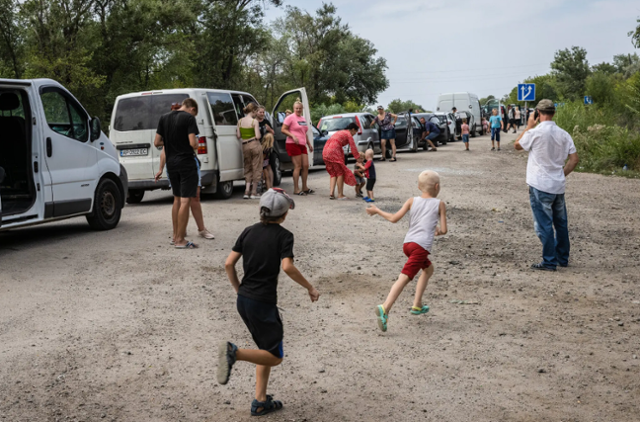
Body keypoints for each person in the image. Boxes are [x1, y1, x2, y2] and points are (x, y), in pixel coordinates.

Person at [219, 188, 320, 416]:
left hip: (244, 300)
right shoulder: (284, 236)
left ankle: (260, 401)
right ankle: (233, 353)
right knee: (275, 356)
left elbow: (228, 264)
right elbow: (287, 267)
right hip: (262, 303)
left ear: (260, 210)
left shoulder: (248, 231)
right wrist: (310, 288)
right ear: (285, 214)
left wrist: (238, 289)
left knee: (265, 348)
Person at [366, 170, 447, 332]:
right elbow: (444, 230)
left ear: (419, 187)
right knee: (404, 278)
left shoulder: (412, 201)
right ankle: (385, 307)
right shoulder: (439, 204)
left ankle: (417, 304)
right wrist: (436, 231)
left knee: (428, 269)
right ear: (437, 187)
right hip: (421, 247)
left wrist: (377, 210)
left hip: (408, 244)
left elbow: (394, 218)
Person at [514, 99, 580, 271]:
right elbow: (574, 160)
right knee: (561, 223)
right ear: (554, 113)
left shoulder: (535, 133)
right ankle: (562, 258)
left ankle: (549, 261)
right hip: (558, 185)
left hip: (539, 184)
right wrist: (561, 174)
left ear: (537, 113)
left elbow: (517, 146)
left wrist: (528, 125)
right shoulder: (564, 134)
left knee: (544, 224)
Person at [154, 98, 199, 249]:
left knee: (177, 199)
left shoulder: (164, 118)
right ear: (192, 108)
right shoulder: (189, 118)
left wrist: (170, 141)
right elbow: (193, 143)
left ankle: (175, 236)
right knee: (186, 200)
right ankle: (181, 240)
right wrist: (195, 144)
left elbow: (157, 142)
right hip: (186, 162)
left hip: (171, 163)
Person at [155, 147, 215, 242]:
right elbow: (163, 148)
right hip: (175, 164)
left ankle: (201, 229)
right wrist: (160, 168)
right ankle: (180, 231)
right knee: (179, 198)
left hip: (189, 162)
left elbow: (194, 145)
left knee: (195, 196)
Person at [281, 100, 314, 196]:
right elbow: (283, 129)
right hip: (292, 143)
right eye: (296, 108)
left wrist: (309, 144)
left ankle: (305, 187)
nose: (298, 110)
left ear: (302, 109)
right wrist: (292, 136)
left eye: (300, 108)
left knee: (306, 165)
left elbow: (304, 133)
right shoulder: (290, 118)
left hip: (302, 144)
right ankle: (296, 189)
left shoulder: (303, 118)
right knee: (298, 166)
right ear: (293, 108)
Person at [322, 122, 360, 200]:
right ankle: (340, 194)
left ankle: (331, 193)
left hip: (326, 150)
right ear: (352, 129)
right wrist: (358, 158)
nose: (354, 135)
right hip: (334, 151)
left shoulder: (340, 132)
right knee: (340, 172)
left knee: (333, 173)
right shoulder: (348, 134)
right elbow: (353, 147)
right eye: (354, 133)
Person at [237, 103, 263, 199]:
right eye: (256, 111)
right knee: (256, 167)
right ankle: (254, 192)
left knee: (247, 167)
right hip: (254, 144)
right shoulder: (254, 122)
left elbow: (238, 136)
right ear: (253, 111)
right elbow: (258, 136)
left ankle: (246, 191)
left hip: (245, 146)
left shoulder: (240, 121)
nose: (257, 113)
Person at [257, 106, 275, 191]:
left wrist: (269, 129)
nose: (262, 114)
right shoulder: (254, 122)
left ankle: (270, 185)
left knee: (268, 166)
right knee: (262, 167)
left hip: (267, 147)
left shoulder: (266, 122)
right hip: (258, 146)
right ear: (256, 112)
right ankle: (263, 185)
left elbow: (273, 133)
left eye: (263, 112)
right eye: (260, 112)